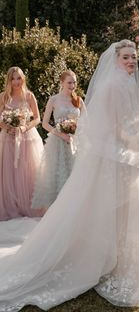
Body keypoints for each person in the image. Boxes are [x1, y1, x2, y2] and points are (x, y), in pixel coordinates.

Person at [0, 40, 139, 312]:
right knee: (111, 203)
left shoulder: (127, 83)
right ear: (116, 60)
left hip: (125, 153)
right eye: (126, 57)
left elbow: (131, 121)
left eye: (134, 57)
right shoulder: (112, 86)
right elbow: (110, 125)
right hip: (115, 155)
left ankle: (130, 254)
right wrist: (137, 142)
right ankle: (108, 257)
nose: (131, 62)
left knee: (129, 204)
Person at [31, 70, 85, 209]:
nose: (72, 85)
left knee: (75, 174)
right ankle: (57, 211)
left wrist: (77, 132)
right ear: (61, 83)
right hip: (58, 142)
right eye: (69, 82)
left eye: (74, 82)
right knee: (57, 175)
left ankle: (74, 208)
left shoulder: (78, 100)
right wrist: (61, 134)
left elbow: (87, 122)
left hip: (76, 143)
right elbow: (44, 124)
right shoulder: (54, 99)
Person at [0, 67, 44, 220]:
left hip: (27, 138)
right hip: (8, 139)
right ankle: (11, 206)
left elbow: (37, 118)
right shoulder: (4, 97)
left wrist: (24, 127)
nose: (16, 82)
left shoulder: (29, 96)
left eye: (19, 78)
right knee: (10, 172)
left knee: (27, 172)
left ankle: (28, 206)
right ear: (9, 81)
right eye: (13, 79)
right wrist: (7, 127)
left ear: (23, 79)